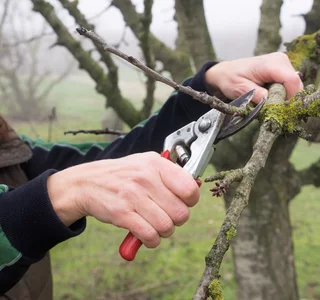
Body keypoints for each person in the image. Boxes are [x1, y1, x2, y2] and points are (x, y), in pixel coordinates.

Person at [0, 53, 303, 297]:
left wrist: (209, 89)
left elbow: (114, 159)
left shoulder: (11, 151)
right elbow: (80, 178)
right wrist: (62, 193)